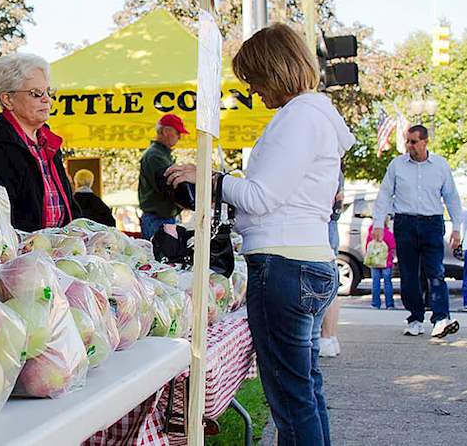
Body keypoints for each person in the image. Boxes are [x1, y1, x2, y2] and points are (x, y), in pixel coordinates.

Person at [165, 23, 354, 446]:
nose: (254, 91)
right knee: (305, 392)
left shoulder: (300, 117)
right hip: (308, 260)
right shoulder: (315, 114)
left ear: (275, 71)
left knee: (291, 400)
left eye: (255, 80)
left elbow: (262, 196)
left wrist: (211, 178)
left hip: (283, 265)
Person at [0, 52, 79, 233]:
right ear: (8, 100)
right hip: (20, 257)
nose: (47, 99)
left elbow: (68, 206)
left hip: (54, 252)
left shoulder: (48, 143)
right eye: (36, 93)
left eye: (48, 91)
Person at [372, 124, 463, 339]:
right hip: (405, 223)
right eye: (408, 141)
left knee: (436, 272)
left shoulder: (440, 166)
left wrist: (457, 228)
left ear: (425, 142)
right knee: (409, 273)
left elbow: (451, 197)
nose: (409, 146)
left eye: (413, 141)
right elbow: (385, 194)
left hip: (432, 223)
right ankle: (415, 318)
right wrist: (378, 223)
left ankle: (441, 318)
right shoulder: (397, 165)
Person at [138, 114, 189, 239]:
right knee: (162, 256)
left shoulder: (159, 155)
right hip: (158, 219)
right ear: (166, 131)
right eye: (177, 133)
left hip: (160, 217)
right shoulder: (155, 156)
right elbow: (168, 185)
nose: (179, 137)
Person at [319, 170, 345, 358]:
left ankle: (326, 337)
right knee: (331, 286)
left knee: (325, 284)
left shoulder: (328, 166)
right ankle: (330, 337)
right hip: (330, 225)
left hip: (324, 225)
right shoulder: (335, 167)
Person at [367, 217, 397, 309]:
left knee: (375, 283)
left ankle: (375, 303)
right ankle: (389, 304)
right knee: (387, 282)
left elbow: (367, 246)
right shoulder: (388, 234)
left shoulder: (371, 234)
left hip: (374, 262)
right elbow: (393, 247)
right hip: (386, 262)